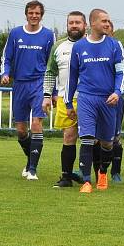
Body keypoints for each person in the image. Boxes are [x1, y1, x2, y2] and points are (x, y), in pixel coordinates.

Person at [65, 9, 124, 193]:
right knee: (87, 139)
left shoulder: (114, 45)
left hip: (108, 100)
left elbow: (120, 72)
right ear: (93, 24)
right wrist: (68, 103)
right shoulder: (79, 46)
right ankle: (86, 181)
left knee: (107, 143)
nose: (108, 24)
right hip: (86, 98)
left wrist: (117, 92)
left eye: (109, 21)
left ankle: (103, 173)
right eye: (104, 21)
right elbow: (72, 77)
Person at [0, 0, 56, 181]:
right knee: (22, 130)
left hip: (39, 83)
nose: (34, 16)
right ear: (26, 14)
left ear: (41, 15)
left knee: (36, 124)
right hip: (20, 84)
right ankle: (30, 158)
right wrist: (5, 73)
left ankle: (32, 168)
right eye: (31, 13)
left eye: (37, 13)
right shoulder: (16, 33)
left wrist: (52, 91)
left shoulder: (48, 35)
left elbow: (51, 64)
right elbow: (6, 57)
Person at [43, 11, 87, 188]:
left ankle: (95, 174)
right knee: (68, 136)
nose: (74, 26)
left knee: (92, 138)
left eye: (78, 22)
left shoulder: (92, 45)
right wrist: (47, 96)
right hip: (65, 98)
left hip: (88, 98)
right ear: (67, 25)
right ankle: (66, 177)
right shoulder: (58, 47)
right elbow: (50, 72)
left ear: (85, 26)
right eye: (71, 23)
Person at [104, 16, 124, 184]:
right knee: (92, 137)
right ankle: (95, 172)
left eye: (108, 29)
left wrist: (118, 91)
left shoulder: (118, 48)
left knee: (114, 136)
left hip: (114, 99)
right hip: (94, 98)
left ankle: (116, 172)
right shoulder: (89, 47)